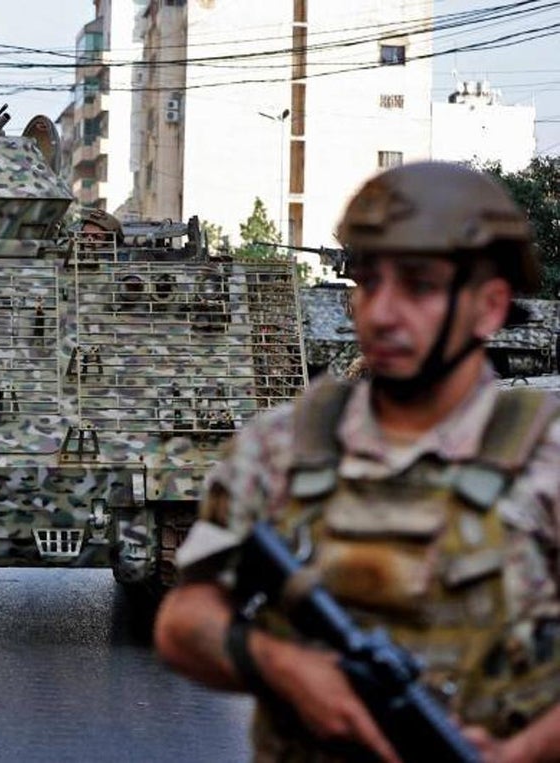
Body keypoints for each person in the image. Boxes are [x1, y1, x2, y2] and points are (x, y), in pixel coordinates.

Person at [153, 162, 560, 762]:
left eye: (418, 286)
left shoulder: (546, 459)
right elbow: (184, 620)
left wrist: (521, 751)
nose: (382, 313)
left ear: (490, 306)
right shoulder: (280, 447)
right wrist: (281, 664)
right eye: (368, 283)